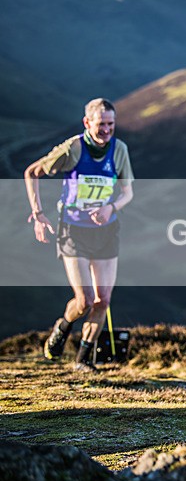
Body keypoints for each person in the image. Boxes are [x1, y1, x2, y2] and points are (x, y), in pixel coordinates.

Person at [24, 98, 134, 372]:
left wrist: (111, 207)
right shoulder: (73, 149)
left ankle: (83, 360)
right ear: (87, 123)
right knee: (84, 301)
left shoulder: (119, 149)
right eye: (101, 124)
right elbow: (31, 172)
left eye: (111, 124)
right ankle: (63, 327)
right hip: (73, 232)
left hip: (106, 232)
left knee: (103, 300)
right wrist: (38, 213)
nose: (106, 130)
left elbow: (128, 192)